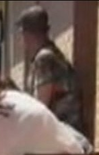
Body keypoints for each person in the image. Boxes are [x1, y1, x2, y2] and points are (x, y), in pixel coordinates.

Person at [17, 5, 84, 133]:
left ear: (27, 35)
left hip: (62, 133)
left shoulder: (44, 59)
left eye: (22, 34)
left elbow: (40, 108)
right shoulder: (53, 54)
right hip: (67, 132)